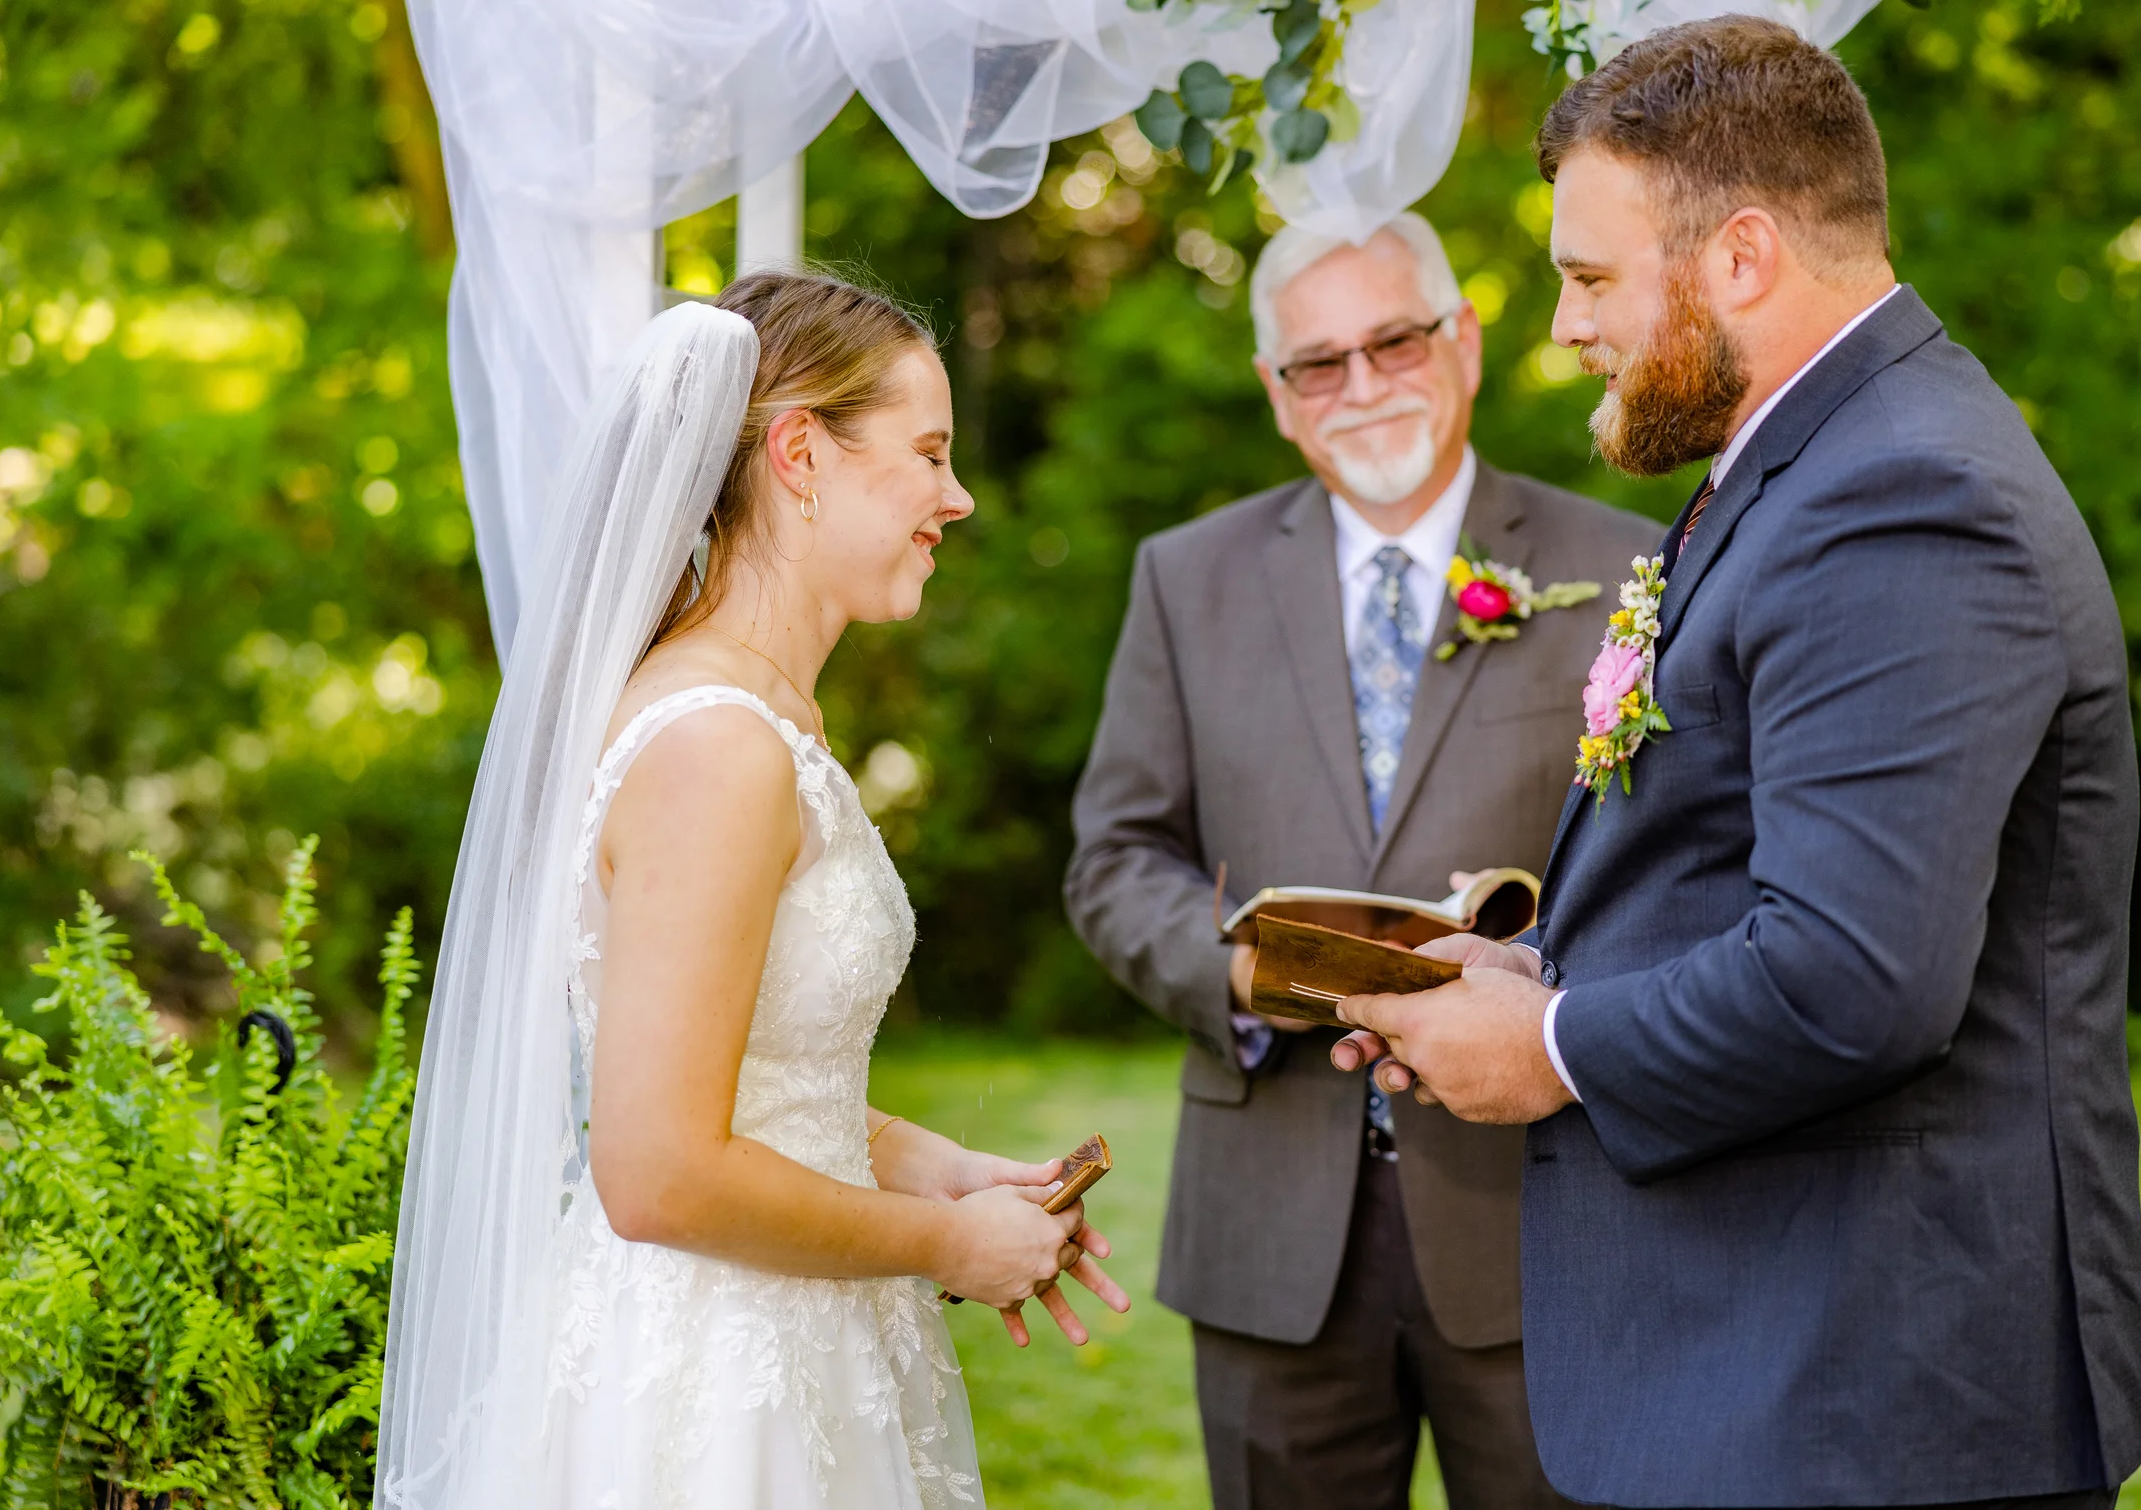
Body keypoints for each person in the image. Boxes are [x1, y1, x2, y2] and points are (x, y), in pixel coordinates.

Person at [1331, 17, 2141, 1508]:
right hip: (1785, 1378)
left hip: (1864, 1401)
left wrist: (1552, 1049)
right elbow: (1740, 873)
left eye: (1589, 277)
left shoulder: (1903, 496)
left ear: (1743, 256)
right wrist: (1531, 975)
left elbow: (1853, 974)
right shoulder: (1809, 461)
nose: (1566, 324)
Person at [378, 271, 1127, 1510]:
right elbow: (656, 1167)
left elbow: (757, 1078)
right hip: (708, 1394)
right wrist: (949, 1246)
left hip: (801, 1339)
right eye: (928, 453)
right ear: (799, 453)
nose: (959, 496)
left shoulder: (766, 718)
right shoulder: (716, 746)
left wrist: (933, 1167)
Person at [1067, 211, 1659, 1509]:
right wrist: (1239, 968)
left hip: (1544, 1213)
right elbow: (1115, 857)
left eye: (1392, 341)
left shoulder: (1621, 566)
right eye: (1316, 363)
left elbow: (1675, 864)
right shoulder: (1189, 576)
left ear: (1461, 341)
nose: (1362, 384)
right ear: (1280, 399)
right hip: (1272, 1221)